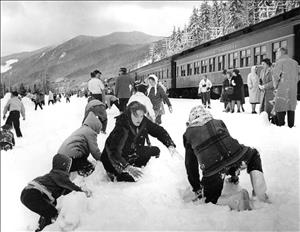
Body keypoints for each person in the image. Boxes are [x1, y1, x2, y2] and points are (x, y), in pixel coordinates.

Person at [183, 105, 270, 211]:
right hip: (237, 154)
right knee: (253, 155)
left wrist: (197, 188)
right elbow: (227, 151)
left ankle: (234, 200)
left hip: (213, 169)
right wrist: (234, 173)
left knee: (210, 198)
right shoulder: (218, 122)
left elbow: (190, 164)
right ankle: (260, 193)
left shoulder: (188, 134)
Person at [100, 101, 179, 182]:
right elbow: (114, 152)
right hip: (112, 160)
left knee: (155, 151)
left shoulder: (143, 121)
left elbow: (158, 130)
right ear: (129, 113)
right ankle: (115, 174)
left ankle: (133, 166)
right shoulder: (122, 127)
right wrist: (127, 167)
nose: (139, 119)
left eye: (141, 116)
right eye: (136, 115)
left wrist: (170, 145)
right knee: (133, 179)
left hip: (130, 152)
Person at [20, 154, 91, 232]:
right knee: (52, 213)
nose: (69, 169)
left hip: (27, 194)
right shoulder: (59, 175)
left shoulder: (51, 176)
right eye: (68, 166)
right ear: (63, 166)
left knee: (47, 212)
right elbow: (70, 186)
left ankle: (41, 228)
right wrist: (82, 191)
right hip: (33, 193)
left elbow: (64, 190)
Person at [57, 111, 102, 177]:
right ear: (95, 126)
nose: (98, 133)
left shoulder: (81, 130)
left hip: (60, 158)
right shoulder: (90, 132)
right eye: (98, 130)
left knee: (83, 162)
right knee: (89, 168)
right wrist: (103, 160)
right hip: (70, 159)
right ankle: (82, 182)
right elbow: (95, 151)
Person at [272, 47, 300, 128]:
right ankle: (291, 125)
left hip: (282, 88)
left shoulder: (279, 62)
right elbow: (298, 76)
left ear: (281, 53)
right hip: (293, 89)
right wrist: (294, 83)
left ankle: (281, 126)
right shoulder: (295, 63)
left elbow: (275, 76)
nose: (276, 54)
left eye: (277, 53)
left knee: (280, 106)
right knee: (291, 107)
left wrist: (276, 86)